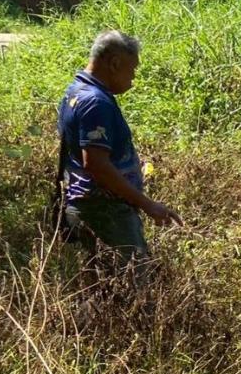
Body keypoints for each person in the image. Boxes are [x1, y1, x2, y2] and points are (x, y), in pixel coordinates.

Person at [56, 30, 181, 271]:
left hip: (86, 208)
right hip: (106, 214)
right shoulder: (96, 102)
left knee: (101, 291)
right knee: (134, 292)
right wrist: (148, 204)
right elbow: (95, 164)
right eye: (132, 69)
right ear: (114, 64)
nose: (133, 77)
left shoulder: (75, 91)